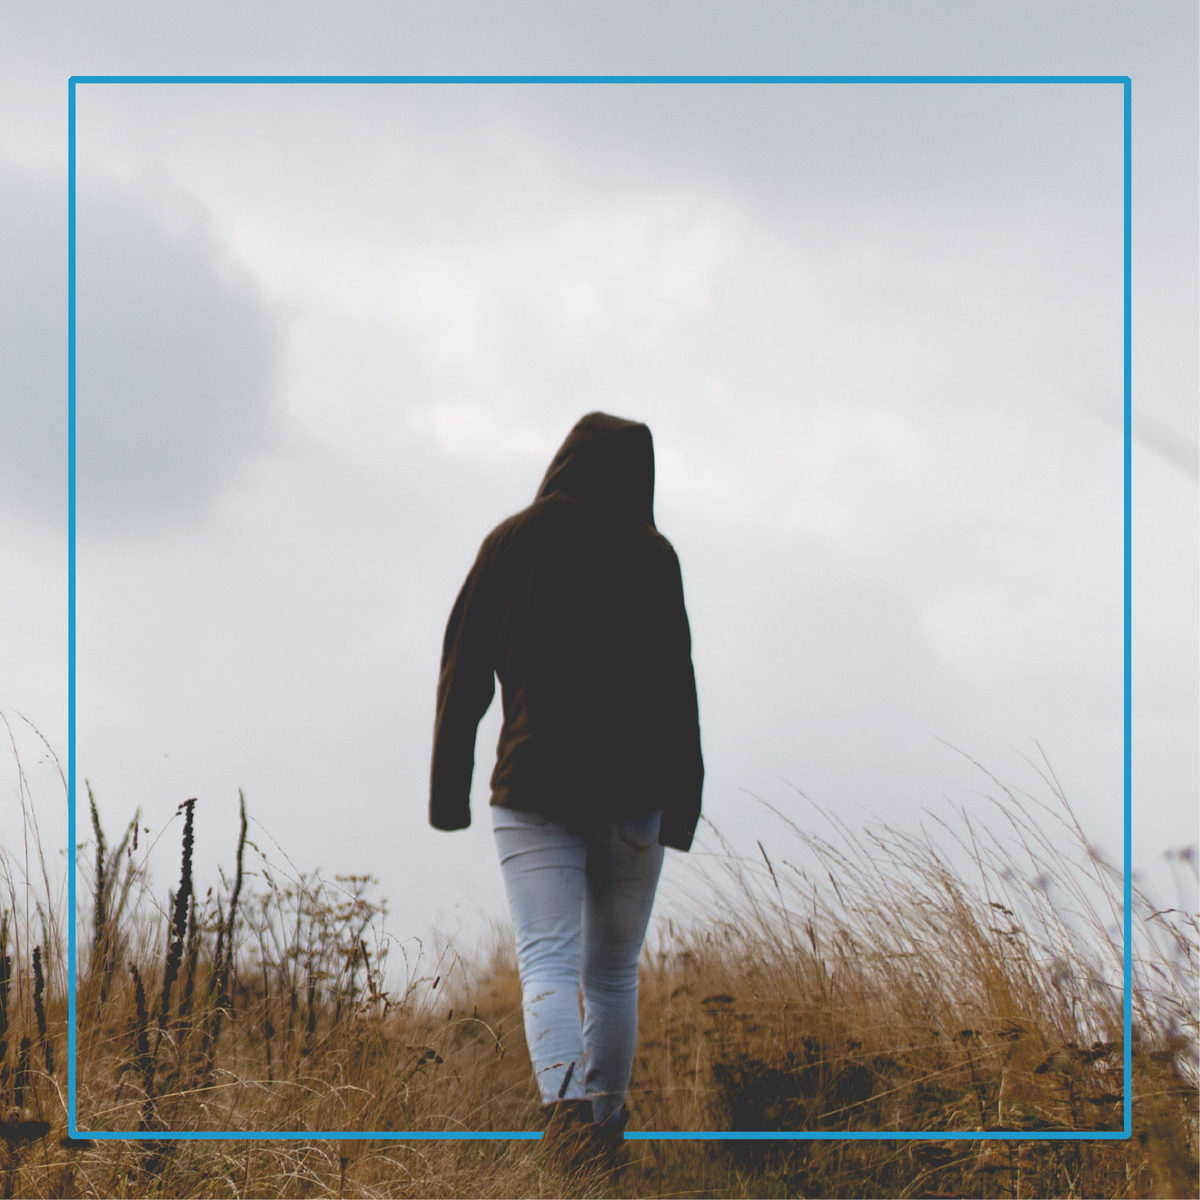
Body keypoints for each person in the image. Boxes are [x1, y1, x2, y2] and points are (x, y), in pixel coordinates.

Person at [429, 411, 703, 1159]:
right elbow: (679, 689)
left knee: (546, 963)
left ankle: (567, 1126)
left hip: (532, 783)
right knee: (612, 975)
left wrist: (448, 792)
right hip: (635, 790)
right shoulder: (654, 554)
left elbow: (462, 670)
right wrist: (684, 805)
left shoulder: (511, 540)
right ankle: (604, 1137)